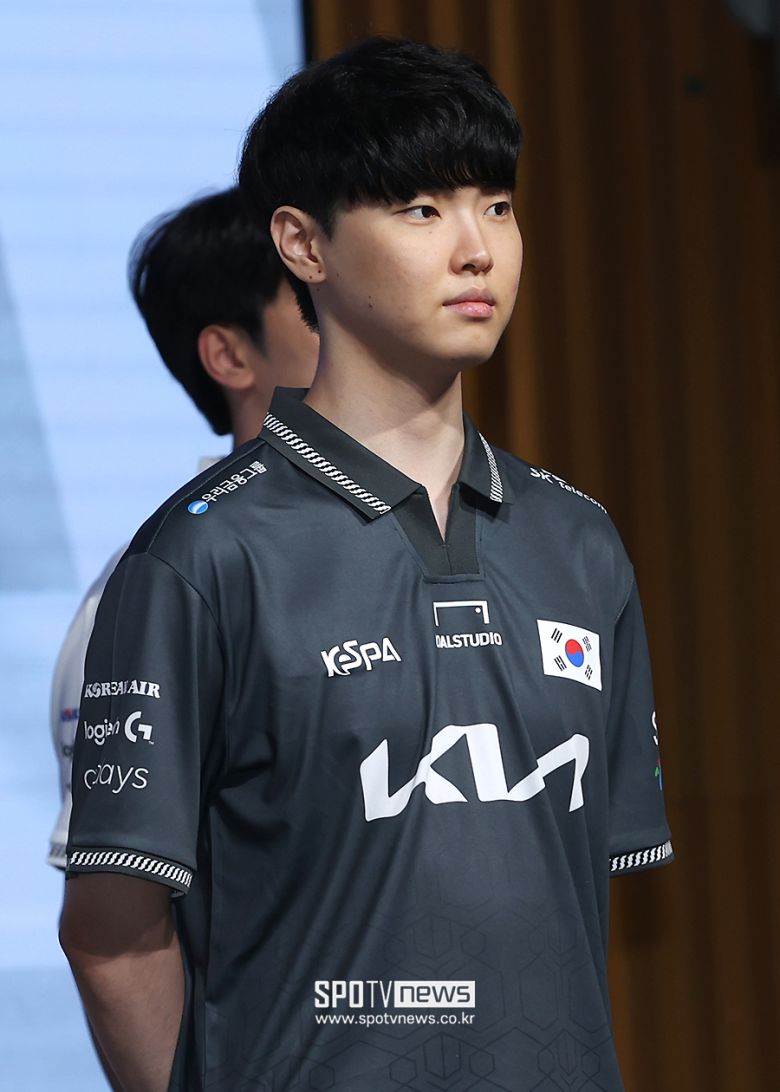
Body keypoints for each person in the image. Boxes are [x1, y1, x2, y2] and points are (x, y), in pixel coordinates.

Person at [60, 38, 673, 1092]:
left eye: (497, 205)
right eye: (422, 209)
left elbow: (560, 911)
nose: (477, 250)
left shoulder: (579, 541)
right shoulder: (202, 555)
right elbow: (111, 939)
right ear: (303, 244)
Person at [48, 185, 318, 868]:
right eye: (310, 300)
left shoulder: (484, 527)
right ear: (230, 357)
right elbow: (111, 909)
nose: (356, 313)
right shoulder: (156, 585)